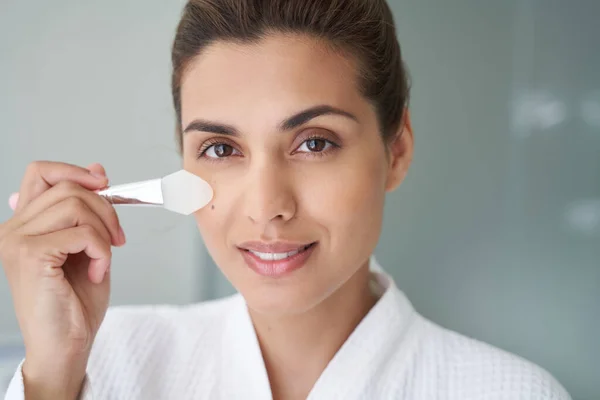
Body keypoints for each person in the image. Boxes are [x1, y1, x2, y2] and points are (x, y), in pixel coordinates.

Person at [1, 0, 571, 399]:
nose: (266, 206)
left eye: (314, 142)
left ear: (396, 150)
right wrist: (54, 374)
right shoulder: (106, 362)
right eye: (221, 149)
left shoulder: (511, 392)